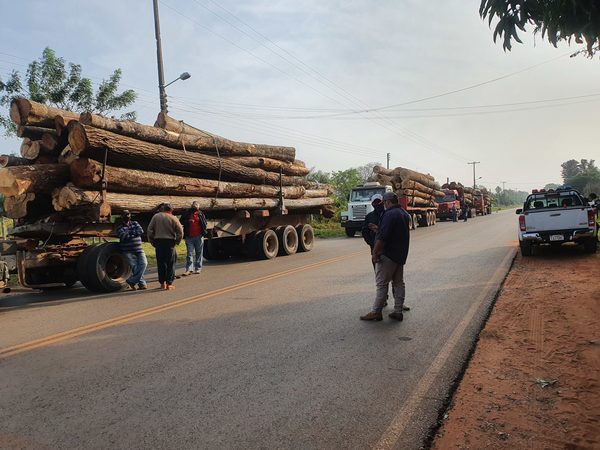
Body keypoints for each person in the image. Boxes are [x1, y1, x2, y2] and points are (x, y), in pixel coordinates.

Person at [360, 191, 411, 322]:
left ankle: (376, 312)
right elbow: (394, 233)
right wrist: (378, 229)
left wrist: (375, 253)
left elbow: (383, 237)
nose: (382, 205)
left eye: (383, 202)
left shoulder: (389, 214)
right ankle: (398, 311)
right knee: (399, 282)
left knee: (382, 284)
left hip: (388, 254)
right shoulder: (404, 213)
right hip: (400, 255)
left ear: (387, 202)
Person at [147, 203, 184, 290]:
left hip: (158, 242)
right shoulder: (173, 218)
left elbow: (149, 230)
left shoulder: (156, 217)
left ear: (163, 209)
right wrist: (177, 241)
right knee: (170, 263)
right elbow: (180, 232)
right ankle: (169, 283)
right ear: (171, 210)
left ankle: (162, 283)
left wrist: (152, 241)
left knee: (161, 263)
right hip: (169, 242)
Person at [116, 210, 148, 290]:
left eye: (128, 214)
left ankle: (131, 281)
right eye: (125, 214)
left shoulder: (135, 223)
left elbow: (140, 231)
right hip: (128, 250)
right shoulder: (119, 226)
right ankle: (142, 284)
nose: (127, 216)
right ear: (122, 216)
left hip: (139, 249)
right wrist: (134, 233)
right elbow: (123, 236)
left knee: (144, 264)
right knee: (134, 267)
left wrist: (129, 233)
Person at [180, 201, 208, 276]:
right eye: (194, 207)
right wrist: (188, 221)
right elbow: (181, 221)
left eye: (197, 207)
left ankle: (198, 268)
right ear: (192, 206)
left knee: (199, 253)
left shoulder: (200, 214)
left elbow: (205, 223)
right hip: (189, 237)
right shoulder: (187, 213)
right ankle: (189, 269)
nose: (195, 208)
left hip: (199, 236)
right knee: (189, 253)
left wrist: (204, 232)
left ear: (198, 207)